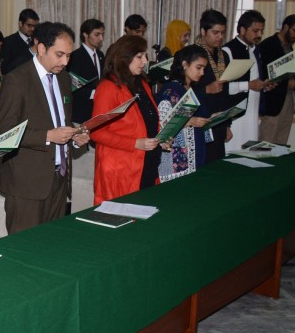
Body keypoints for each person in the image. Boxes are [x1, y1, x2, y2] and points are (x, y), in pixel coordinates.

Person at [0, 22, 89, 234]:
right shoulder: (16, 80)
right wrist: (49, 136)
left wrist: (76, 135)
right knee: (23, 250)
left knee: (50, 246)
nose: (65, 62)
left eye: (68, 55)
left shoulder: (64, 79)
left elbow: (62, 122)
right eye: (59, 54)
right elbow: (5, 134)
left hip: (59, 179)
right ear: (41, 48)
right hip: (27, 183)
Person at [90, 33, 163, 204]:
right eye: (139, 56)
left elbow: (150, 121)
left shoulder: (142, 83)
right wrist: (135, 143)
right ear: (124, 58)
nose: (145, 61)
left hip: (147, 163)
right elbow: (96, 132)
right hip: (121, 169)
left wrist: (161, 138)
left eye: (145, 55)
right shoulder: (108, 87)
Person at [158, 46, 213, 182]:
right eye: (198, 67)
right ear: (184, 64)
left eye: (204, 69)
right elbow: (163, 127)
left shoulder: (194, 89)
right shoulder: (170, 91)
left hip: (196, 150)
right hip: (176, 157)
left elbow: (201, 114)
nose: (202, 73)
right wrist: (191, 121)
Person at [258, 14, 295, 144]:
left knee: (281, 143)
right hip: (273, 102)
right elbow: (264, 75)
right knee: (267, 143)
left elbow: (288, 73)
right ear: (285, 27)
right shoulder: (268, 45)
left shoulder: (289, 46)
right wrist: (287, 83)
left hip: (288, 100)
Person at [223, 10, 270, 150]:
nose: (260, 35)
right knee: (233, 153)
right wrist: (249, 85)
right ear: (242, 30)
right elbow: (224, 87)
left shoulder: (255, 50)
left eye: (261, 31)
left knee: (249, 151)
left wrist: (264, 85)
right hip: (236, 115)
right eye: (255, 31)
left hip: (253, 113)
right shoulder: (228, 51)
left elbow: (255, 79)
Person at [193, 9, 234, 161]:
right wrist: (206, 89)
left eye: (222, 33)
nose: (220, 37)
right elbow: (182, 92)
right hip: (199, 120)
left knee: (217, 166)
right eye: (215, 32)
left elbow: (226, 91)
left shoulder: (223, 56)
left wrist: (227, 124)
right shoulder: (191, 55)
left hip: (219, 120)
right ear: (203, 31)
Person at [68, 18, 106, 125]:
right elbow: (73, 86)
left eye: (102, 34)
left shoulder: (100, 55)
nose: (101, 38)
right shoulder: (75, 56)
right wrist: (96, 94)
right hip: (81, 113)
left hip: (98, 110)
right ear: (85, 34)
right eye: (97, 34)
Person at [0, 8, 39, 75]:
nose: (32, 29)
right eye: (29, 25)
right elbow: (4, 69)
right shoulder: (8, 41)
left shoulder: (37, 41)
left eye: (34, 26)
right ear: (20, 24)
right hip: (17, 82)